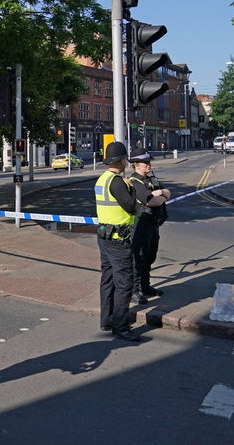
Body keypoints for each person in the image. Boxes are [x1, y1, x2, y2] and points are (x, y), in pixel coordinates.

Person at [94, 142, 140, 342]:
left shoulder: (102, 179)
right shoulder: (118, 182)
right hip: (118, 240)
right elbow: (131, 207)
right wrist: (132, 189)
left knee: (108, 278)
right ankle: (121, 327)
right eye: (126, 160)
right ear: (122, 161)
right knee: (124, 283)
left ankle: (107, 320)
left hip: (104, 235)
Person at [128, 149, 171, 305]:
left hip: (153, 224)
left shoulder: (150, 180)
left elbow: (168, 192)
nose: (148, 164)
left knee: (150, 256)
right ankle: (134, 291)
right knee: (138, 258)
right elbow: (151, 201)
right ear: (136, 165)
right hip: (140, 224)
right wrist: (160, 196)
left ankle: (145, 287)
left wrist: (161, 193)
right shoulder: (135, 182)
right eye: (145, 162)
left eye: (149, 161)